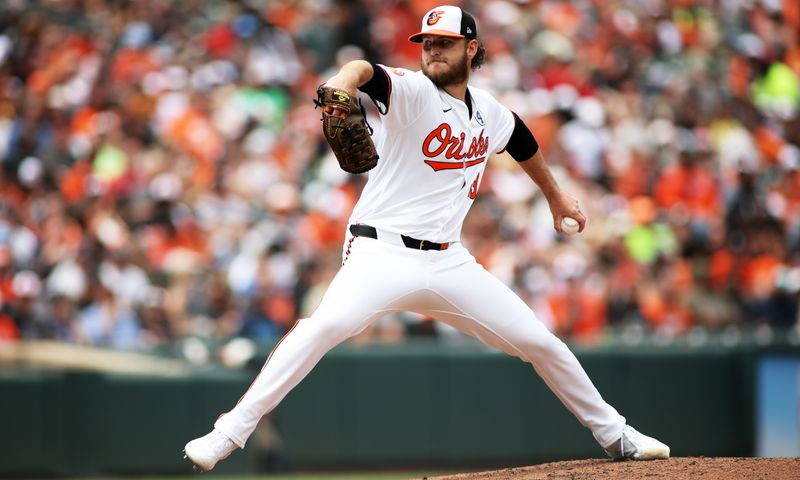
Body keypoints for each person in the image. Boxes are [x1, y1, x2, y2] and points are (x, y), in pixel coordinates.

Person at [183, 5, 670, 471]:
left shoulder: (489, 111)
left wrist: (556, 196)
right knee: (321, 328)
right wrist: (340, 83)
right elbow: (364, 70)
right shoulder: (415, 92)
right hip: (381, 252)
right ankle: (228, 432)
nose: (433, 49)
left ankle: (617, 435)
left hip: (448, 262)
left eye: (445, 43)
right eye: (427, 42)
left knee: (540, 342)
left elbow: (520, 139)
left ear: (471, 49)